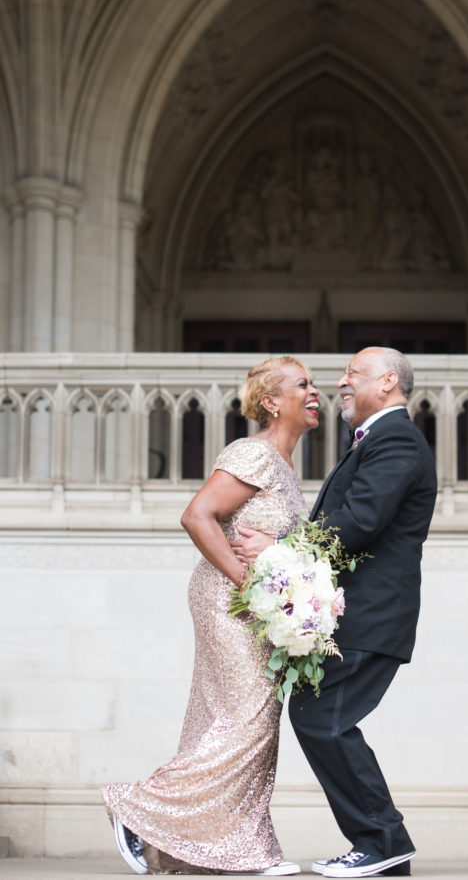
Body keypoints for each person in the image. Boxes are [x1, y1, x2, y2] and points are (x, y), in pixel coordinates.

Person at [103, 356, 320, 876]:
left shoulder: (286, 467)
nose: (317, 391)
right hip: (231, 601)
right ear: (271, 401)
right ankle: (137, 808)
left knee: (236, 722)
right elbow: (197, 515)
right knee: (245, 721)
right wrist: (251, 586)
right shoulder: (255, 453)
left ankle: (233, 848)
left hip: (260, 608)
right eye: (303, 385)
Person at [234, 347, 437, 879]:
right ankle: (383, 849)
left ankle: (382, 842)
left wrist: (275, 543)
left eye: (352, 373)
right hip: (361, 614)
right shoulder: (376, 439)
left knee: (322, 717)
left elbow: (359, 521)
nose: (341, 382)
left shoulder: (395, 439)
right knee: (322, 716)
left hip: (370, 615)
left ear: (388, 381)